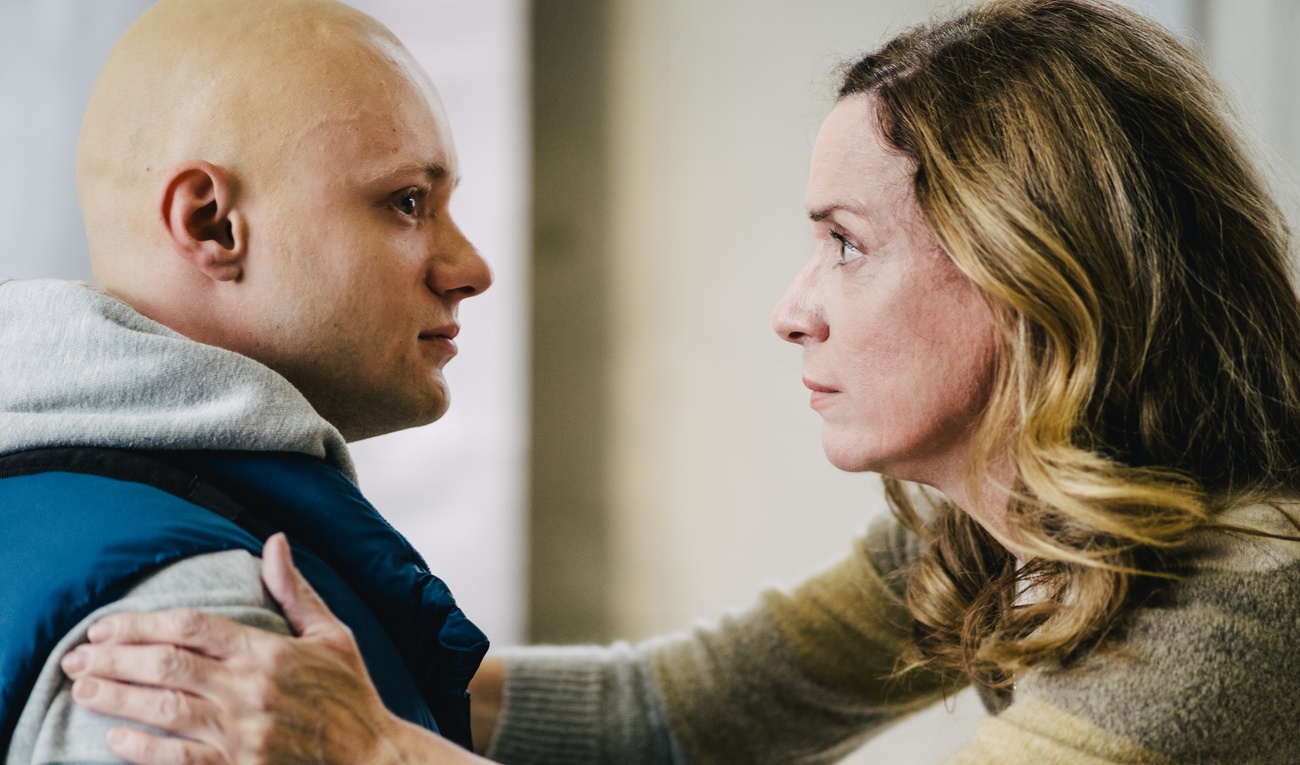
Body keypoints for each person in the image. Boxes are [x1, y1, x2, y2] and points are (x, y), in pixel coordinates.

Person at [58, 0, 1300, 763]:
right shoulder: (988, 534)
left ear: (1031, 269)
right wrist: (364, 672)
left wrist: (382, 756)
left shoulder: (1245, 620)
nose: (791, 310)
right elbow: (680, 718)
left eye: (844, 244)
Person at [0, 0, 497, 762]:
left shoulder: (45, 498)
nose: (470, 270)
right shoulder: (204, 646)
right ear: (213, 225)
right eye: (407, 202)